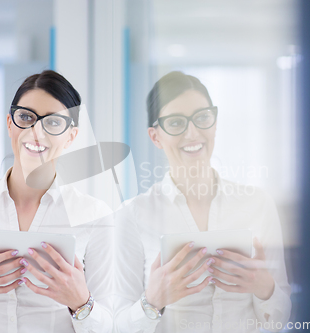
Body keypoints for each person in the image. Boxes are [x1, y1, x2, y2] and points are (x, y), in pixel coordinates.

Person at [0, 70, 113, 333]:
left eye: (53, 122)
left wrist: (80, 302)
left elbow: (109, 325)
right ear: (9, 123)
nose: (36, 131)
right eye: (26, 117)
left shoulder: (95, 216)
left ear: (71, 136)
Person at [114, 71, 291, 332]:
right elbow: (117, 325)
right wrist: (152, 302)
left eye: (202, 117)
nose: (193, 132)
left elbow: (280, 321)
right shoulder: (132, 215)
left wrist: (266, 289)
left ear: (215, 123)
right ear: (156, 137)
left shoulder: (258, 204)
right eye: (176, 123)